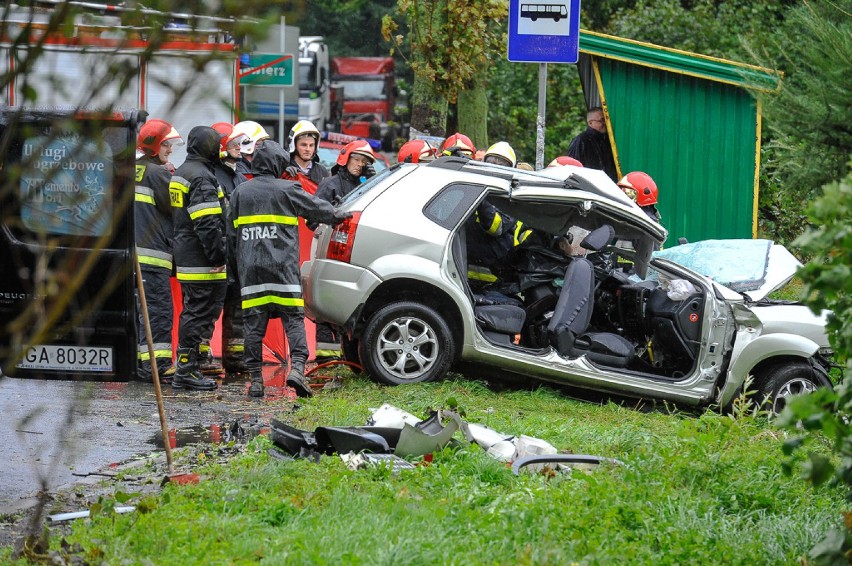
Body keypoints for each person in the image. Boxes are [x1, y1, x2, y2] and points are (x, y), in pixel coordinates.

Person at [228, 141, 353, 398]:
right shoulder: (288, 189)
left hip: (251, 271)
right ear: (276, 164)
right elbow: (317, 208)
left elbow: (230, 235)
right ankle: (297, 369)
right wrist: (340, 213)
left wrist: (236, 268)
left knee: (254, 326)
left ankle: (255, 381)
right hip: (283, 268)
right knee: (293, 319)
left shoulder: (241, 192)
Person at [169, 126, 227, 391]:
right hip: (202, 259)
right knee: (198, 312)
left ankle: (188, 367)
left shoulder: (183, 172)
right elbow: (206, 223)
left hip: (187, 253)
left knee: (194, 310)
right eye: (216, 144)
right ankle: (186, 370)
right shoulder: (202, 177)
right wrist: (218, 255)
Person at [134, 119, 182, 383]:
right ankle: (160, 365)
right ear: (153, 145)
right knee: (159, 311)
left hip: (131, 258)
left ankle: (142, 365)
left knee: (140, 313)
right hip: (153, 256)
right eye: (166, 144)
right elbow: (175, 211)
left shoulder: (131, 171)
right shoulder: (160, 174)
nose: (170, 150)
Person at [211, 122, 249, 377]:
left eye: (240, 142)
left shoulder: (241, 175)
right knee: (210, 308)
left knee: (237, 308)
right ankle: (202, 358)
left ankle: (235, 359)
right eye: (233, 142)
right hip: (217, 253)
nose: (239, 147)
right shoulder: (212, 176)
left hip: (238, 253)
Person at [315, 140, 376, 205]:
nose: (360, 164)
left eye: (364, 162)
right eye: (356, 159)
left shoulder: (365, 186)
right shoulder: (329, 184)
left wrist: (372, 183)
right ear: (347, 159)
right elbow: (316, 211)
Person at [566, 107, 618, 181]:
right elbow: (572, 167)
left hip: (608, 186)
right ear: (590, 123)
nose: (605, 123)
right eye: (602, 120)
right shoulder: (581, 140)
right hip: (589, 187)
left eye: (606, 119)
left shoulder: (609, 140)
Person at [282, 120, 329, 194]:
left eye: (311, 145)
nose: (308, 149)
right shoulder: (283, 168)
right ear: (294, 145)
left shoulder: (322, 171)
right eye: (303, 145)